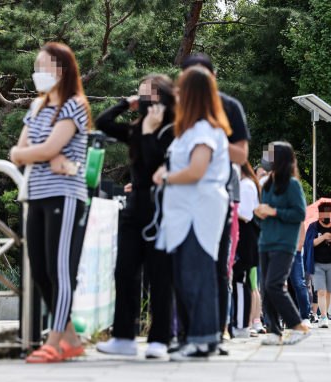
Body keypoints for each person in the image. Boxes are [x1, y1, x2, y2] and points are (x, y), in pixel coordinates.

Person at [10, 43, 89, 363]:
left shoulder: (75, 105)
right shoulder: (38, 107)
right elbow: (18, 152)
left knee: (59, 270)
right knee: (40, 269)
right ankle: (71, 339)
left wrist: (46, 153)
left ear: (61, 70)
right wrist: (48, 154)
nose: (37, 72)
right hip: (37, 194)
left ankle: (54, 342)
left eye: (43, 66)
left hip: (65, 195)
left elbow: (39, 150)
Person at [152, 65, 230, 360]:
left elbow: (197, 170)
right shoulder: (192, 128)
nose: (177, 94)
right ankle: (201, 338)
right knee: (189, 275)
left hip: (198, 211)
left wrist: (167, 177)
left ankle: (202, 339)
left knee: (196, 275)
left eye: (182, 88)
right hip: (186, 213)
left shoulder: (203, 129)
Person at [94, 74, 175, 359]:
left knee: (159, 276)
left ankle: (159, 340)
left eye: (148, 96)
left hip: (161, 208)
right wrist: (124, 103)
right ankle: (124, 337)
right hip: (134, 206)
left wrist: (151, 130)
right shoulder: (138, 128)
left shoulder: (172, 131)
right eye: (140, 96)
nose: (143, 102)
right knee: (124, 271)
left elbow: (157, 166)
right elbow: (102, 124)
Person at [180, 54, 250, 353]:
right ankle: (187, 333)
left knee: (217, 267)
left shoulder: (229, 106)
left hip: (218, 198)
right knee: (183, 268)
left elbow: (242, 155)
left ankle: (215, 333)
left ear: (214, 76)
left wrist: (209, 143)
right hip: (180, 199)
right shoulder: (178, 107)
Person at [254, 142, 310, 345]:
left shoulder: (292, 184)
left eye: (270, 155)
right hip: (265, 242)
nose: (266, 159)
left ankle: (298, 325)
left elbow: (300, 213)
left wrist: (274, 212)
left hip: (285, 243)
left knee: (274, 284)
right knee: (266, 288)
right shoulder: (267, 184)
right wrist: (260, 213)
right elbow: (264, 215)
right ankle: (274, 331)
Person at [231, 162, 262, 338]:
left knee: (242, 281)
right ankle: (240, 323)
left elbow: (246, 213)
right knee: (240, 281)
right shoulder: (245, 184)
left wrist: (228, 209)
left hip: (246, 236)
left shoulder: (247, 185)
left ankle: (243, 325)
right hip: (242, 234)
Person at [303, 202, 331, 328]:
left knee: (328, 292)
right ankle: (324, 317)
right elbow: (309, 243)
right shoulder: (313, 227)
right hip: (317, 264)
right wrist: (323, 237)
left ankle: (324, 315)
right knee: (320, 291)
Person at [290, 221, 312, 326]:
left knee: (299, 283)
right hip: (277, 250)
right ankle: (276, 318)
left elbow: (301, 222)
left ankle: (305, 317)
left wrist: (299, 247)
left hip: (295, 251)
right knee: (275, 284)